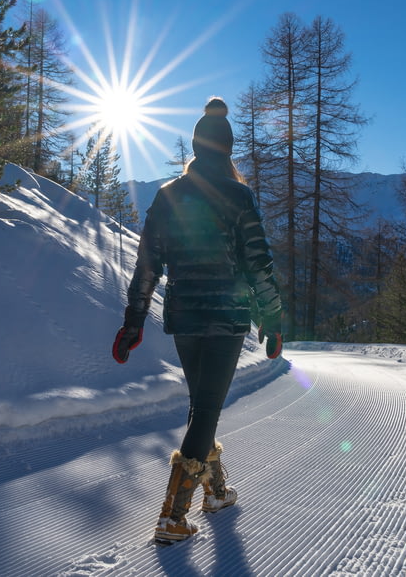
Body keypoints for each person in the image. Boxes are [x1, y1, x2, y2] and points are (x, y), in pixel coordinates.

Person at [112, 96, 283, 544]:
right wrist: (273, 317)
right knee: (206, 408)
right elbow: (258, 265)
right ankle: (172, 516)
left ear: (195, 147)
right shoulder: (239, 195)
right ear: (226, 151)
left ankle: (217, 492)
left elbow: (147, 264)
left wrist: (134, 321)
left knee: (201, 407)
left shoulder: (168, 196)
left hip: (185, 317)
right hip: (225, 318)